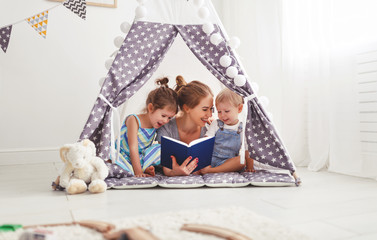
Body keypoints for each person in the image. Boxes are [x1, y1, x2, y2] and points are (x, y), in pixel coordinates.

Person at [114, 78, 178, 177]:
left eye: (169, 117)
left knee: (162, 149)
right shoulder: (133, 120)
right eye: (163, 116)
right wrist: (138, 172)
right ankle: (138, 170)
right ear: (151, 108)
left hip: (140, 157)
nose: (166, 121)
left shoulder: (156, 123)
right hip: (124, 155)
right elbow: (133, 147)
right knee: (113, 159)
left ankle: (143, 168)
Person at [156, 75, 214, 176]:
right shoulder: (166, 129)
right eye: (205, 109)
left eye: (211, 109)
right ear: (187, 108)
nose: (209, 115)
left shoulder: (209, 129)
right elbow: (167, 168)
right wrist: (175, 173)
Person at [200, 88, 254, 174]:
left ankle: (212, 171)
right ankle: (209, 169)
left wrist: (250, 167)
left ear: (239, 108)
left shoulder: (243, 128)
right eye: (219, 111)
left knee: (242, 161)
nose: (222, 115)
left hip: (228, 163)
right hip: (211, 160)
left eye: (227, 111)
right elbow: (206, 141)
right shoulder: (216, 124)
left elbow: (247, 150)